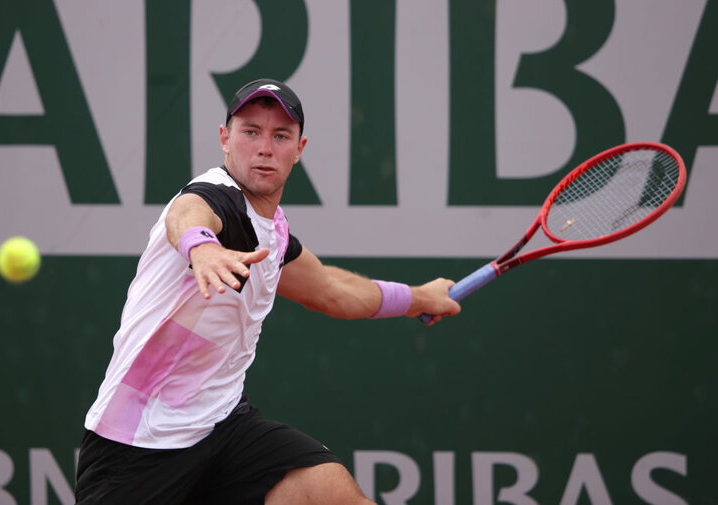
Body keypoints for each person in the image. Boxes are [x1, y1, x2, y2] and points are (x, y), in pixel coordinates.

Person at [74, 78, 461, 505]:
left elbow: (331, 289)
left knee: (330, 493)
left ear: (299, 149)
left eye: (280, 136)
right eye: (250, 131)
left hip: (222, 426)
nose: (264, 147)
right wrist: (201, 248)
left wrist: (420, 298)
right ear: (225, 139)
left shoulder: (272, 235)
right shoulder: (216, 198)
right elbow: (188, 212)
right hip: (138, 445)